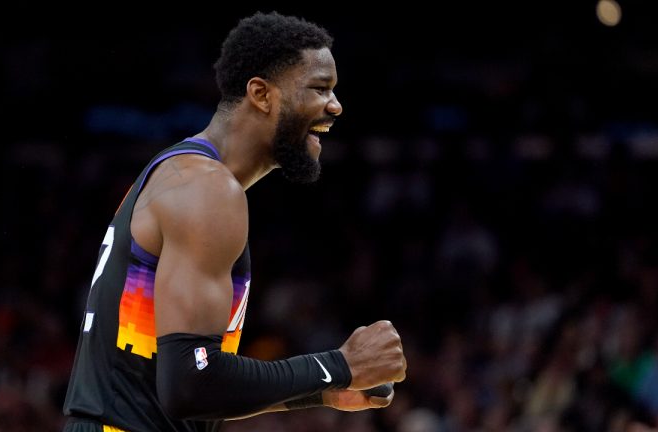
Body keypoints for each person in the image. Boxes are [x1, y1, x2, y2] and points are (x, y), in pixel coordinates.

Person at [62, 11, 407, 432]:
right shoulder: (208, 188)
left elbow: (183, 384)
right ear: (261, 94)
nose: (336, 106)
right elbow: (190, 385)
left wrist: (322, 391)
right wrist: (338, 365)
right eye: (320, 89)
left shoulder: (186, 174)